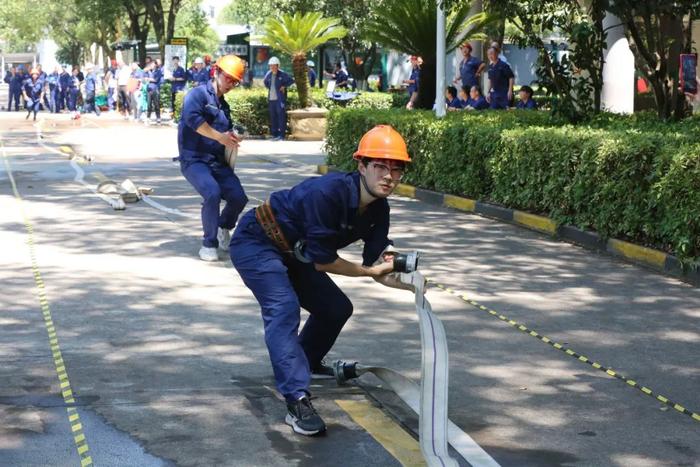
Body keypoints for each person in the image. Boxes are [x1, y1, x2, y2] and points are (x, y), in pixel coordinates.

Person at [230, 124, 411, 436]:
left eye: (397, 170)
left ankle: (306, 361)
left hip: (296, 252)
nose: (389, 177)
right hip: (257, 240)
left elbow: (375, 257)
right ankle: (297, 399)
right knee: (284, 308)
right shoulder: (329, 192)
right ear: (362, 166)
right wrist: (370, 273)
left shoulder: (379, 208)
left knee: (336, 308)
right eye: (380, 167)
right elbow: (325, 261)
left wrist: (398, 275)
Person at [178, 55, 248, 262]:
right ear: (216, 72)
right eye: (229, 79)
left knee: (239, 197)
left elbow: (226, 132)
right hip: (194, 160)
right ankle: (209, 244)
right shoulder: (197, 95)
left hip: (217, 161)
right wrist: (221, 138)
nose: (232, 84)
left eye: (235, 82)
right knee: (212, 193)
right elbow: (194, 121)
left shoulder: (224, 106)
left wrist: (233, 137)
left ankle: (223, 227)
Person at [263, 57, 294, 141]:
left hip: (280, 99)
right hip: (271, 99)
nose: (272, 67)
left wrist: (284, 86)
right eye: (271, 66)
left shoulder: (282, 74)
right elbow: (265, 82)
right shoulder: (268, 74)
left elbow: (291, 81)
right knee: (273, 117)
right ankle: (274, 134)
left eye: (274, 66)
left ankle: (281, 135)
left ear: (277, 66)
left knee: (281, 117)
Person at [146, 59, 164, 124]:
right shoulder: (149, 72)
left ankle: (158, 117)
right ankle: (148, 117)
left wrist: (148, 79)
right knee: (149, 104)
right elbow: (143, 76)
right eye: (151, 64)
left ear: (155, 65)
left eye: (153, 64)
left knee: (156, 104)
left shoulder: (158, 71)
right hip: (149, 89)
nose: (152, 65)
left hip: (155, 89)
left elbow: (156, 80)